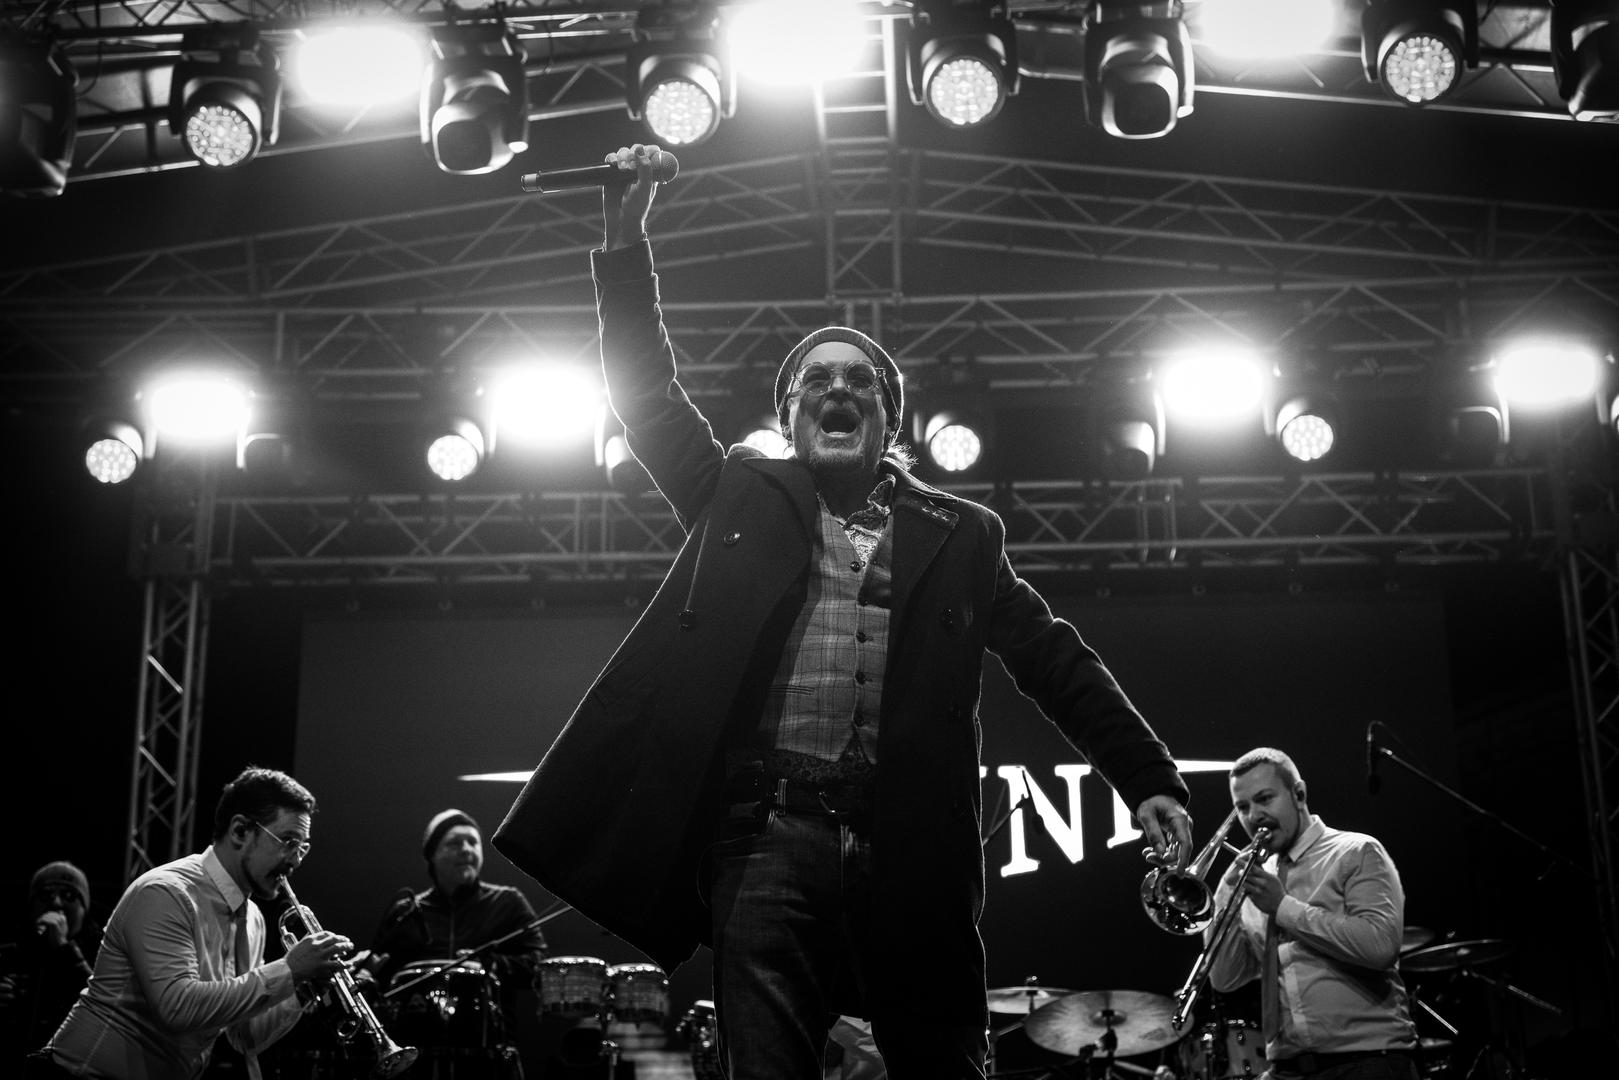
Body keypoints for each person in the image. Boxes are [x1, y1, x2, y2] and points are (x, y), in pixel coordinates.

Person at [492, 143, 1195, 1080]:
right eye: (814, 382)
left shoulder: (961, 534)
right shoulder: (735, 493)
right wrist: (626, 240)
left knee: (943, 1064)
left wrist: (1143, 773)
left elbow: (1053, 658)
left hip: (911, 845)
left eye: (859, 381)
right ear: (788, 419)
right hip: (765, 838)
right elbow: (646, 393)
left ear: (888, 420)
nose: (836, 389)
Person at [36, 766, 354, 1080]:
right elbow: (178, 1008)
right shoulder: (166, 892)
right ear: (240, 831)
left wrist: (300, 989)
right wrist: (289, 969)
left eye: (302, 847)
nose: (296, 859)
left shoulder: (254, 919)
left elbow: (244, 1036)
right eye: (288, 841)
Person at [1206, 748, 1419, 1079]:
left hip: (1366, 1062)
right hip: (1287, 1067)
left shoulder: (1356, 852)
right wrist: (1225, 894)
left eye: (1264, 799)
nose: (1254, 815)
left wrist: (1282, 907)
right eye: (1243, 807)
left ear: (1299, 794)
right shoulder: (1256, 881)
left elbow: (1380, 947)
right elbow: (1224, 978)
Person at [358, 809, 546, 1076]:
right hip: (417, 1057)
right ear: (432, 855)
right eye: (455, 843)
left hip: (489, 1053)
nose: (467, 850)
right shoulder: (406, 912)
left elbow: (537, 967)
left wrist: (490, 963)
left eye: (473, 842)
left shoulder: (509, 902)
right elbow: (382, 979)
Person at [0, 862, 101, 1067]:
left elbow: (101, 1008)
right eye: (45, 895)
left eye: (69, 896)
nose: (56, 903)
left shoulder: (101, 954)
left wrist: (65, 949)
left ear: (84, 909)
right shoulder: (9, 952)